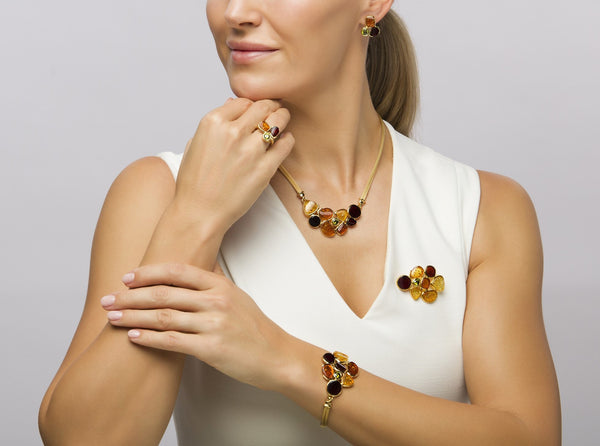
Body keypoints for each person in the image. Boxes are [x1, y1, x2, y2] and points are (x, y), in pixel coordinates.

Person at [38, 1, 561, 445]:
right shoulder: (160, 193)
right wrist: (196, 218)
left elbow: (528, 436)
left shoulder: (481, 209)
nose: (236, 13)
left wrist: (285, 361)